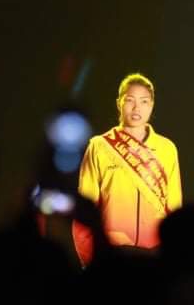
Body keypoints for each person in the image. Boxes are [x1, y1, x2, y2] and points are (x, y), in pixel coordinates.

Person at [72, 73, 182, 265]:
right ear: (119, 103)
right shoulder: (100, 146)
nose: (136, 107)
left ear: (152, 105)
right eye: (130, 100)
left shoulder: (167, 149)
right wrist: (92, 260)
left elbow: (175, 209)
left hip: (155, 256)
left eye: (144, 101)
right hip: (112, 255)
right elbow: (84, 210)